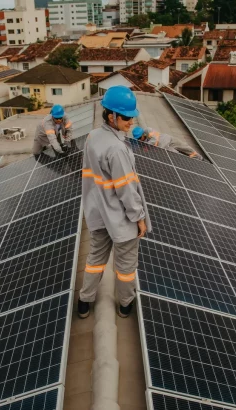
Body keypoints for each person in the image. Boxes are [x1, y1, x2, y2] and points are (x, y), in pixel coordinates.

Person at [78, 86, 151, 319]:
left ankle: (84, 300)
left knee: (95, 260)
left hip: (97, 214)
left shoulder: (92, 137)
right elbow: (127, 191)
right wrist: (139, 218)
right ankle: (126, 304)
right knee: (126, 267)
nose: (131, 121)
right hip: (121, 219)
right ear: (112, 116)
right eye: (127, 117)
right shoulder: (117, 149)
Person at [132, 126, 203, 160]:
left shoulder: (148, 130)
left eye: (139, 138)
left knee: (185, 147)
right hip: (164, 149)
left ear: (143, 134)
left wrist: (146, 146)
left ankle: (199, 158)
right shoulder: (141, 143)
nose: (139, 140)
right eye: (137, 139)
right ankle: (192, 162)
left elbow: (154, 139)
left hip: (168, 139)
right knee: (178, 156)